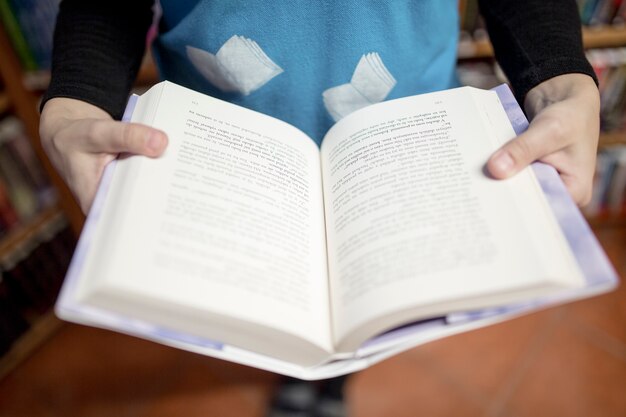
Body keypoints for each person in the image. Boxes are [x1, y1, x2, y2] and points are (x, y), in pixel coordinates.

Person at [39, 1, 600, 416]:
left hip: (403, 134)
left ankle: (338, 378)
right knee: (253, 288)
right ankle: (292, 367)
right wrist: (78, 95)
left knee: (378, 293)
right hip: (226, 145)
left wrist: (556, 76)